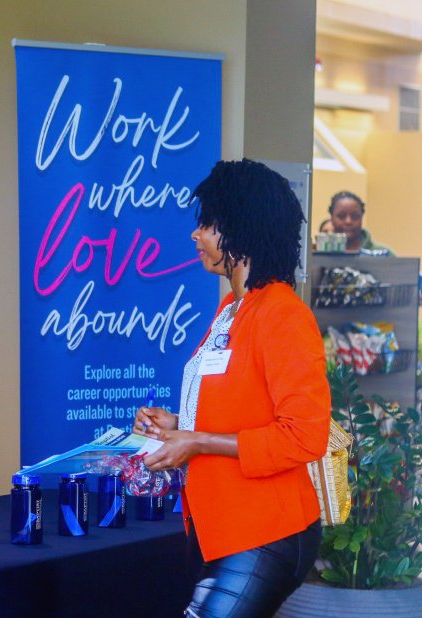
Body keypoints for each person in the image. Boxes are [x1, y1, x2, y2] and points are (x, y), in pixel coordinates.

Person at [133, 159, 330, 617]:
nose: (195, 234)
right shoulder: (230, 308)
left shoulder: (283, 314)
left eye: (207, 224)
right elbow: (245, 412)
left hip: (267, 529)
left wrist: (197, 440)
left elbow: (305, 436)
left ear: (240, 230)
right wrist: (180, 425)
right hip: (222, 525)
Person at [328, 190, 393, 255]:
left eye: (355, 216)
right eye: (341, 216)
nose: (348, 221)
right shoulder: (320, 255)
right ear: (331, 218)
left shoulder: (383, 255)